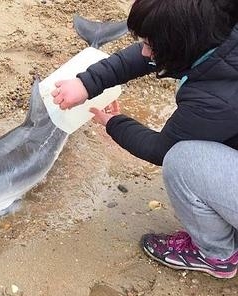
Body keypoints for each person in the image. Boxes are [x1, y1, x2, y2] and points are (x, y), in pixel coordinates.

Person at [52, 0, 238, 278]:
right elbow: (146, 55)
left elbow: (160, 149)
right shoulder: (217, 27)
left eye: (152, 45)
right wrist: (86, 83)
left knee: (182, 161)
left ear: (182, 45)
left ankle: (217, 256)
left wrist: (115, 123)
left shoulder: (218, 99)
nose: (144, 50)